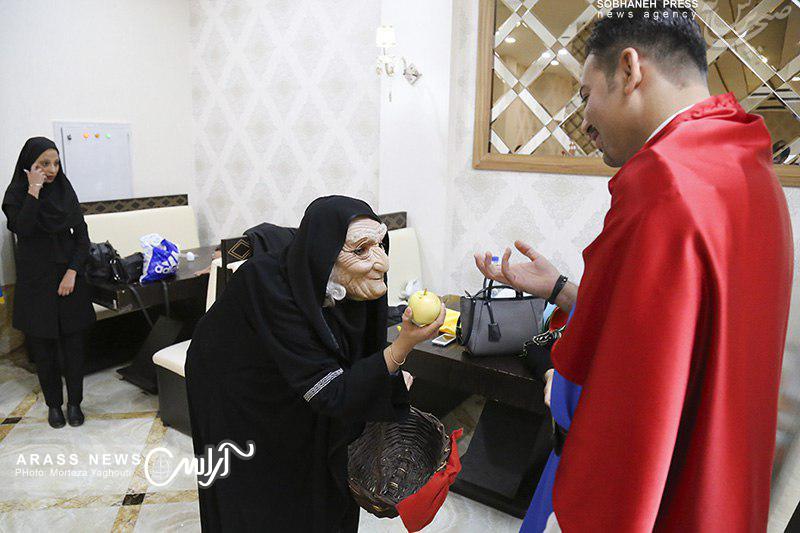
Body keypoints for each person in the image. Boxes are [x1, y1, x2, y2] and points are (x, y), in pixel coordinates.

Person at [476, 5, 793, 531]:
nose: (584, 120)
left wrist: (561, 382)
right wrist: (561, 288)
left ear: (629, 69)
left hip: (646, 486)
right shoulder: (749, 168)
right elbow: (674, 327)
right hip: (717, 478)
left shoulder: (663, 182)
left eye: (586, 94)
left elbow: (621, 397)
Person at [185, 195, 446, 532]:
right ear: (325, 253)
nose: (381, 262)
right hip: (236, 391)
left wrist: (385, 374)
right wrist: (401, 348)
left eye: (381, 245)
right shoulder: (268, 286)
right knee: (256, 485)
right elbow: (331, 392)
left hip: (293, 372)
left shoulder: (351, 283)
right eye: (361, 250)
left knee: (316, 474)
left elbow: (352, 356)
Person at [2, 137, 96, 428]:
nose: (52, 169)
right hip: (36, 284)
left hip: (69, 280)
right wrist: (34, 190)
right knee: (43, 350)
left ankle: (75, 403)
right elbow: (23, 228)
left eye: (55, 163)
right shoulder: (16, 195)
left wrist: (72, 272)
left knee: (74, 348)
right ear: (29, 165)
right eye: (44, 163)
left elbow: (83, 239)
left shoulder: (65, 191)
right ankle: (54, 405)